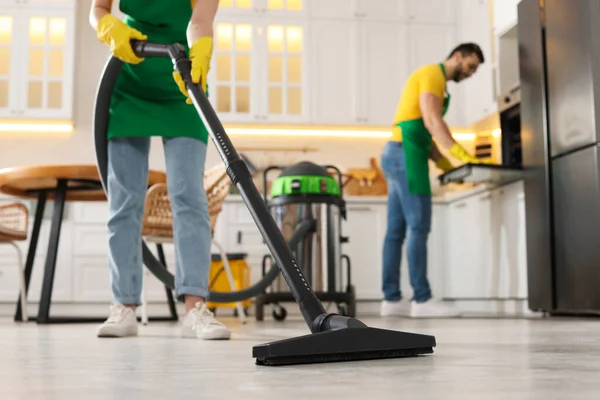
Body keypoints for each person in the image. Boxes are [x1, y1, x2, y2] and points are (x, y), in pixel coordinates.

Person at [89, 0, 231, 340]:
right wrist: (109, 27)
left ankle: (196, 309)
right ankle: (123, 306)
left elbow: (200, 19)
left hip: (181, 78)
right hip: (129, 76)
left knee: (189, 198)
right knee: (124, 201)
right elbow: (98, 10)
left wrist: (201, 48)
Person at [380, 43, 489, 318]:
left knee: (396, 232)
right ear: (458, 56)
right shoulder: (433, 74)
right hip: (406, 156)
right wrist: (462, 155)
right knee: (419, 227)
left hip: (396, 152)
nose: (471, 73)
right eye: (471, 66)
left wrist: (451, 168)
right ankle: (422, 299)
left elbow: (425, 136)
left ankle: (391, 300)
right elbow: (431, 120)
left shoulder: (435, 80)